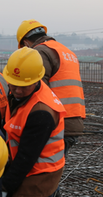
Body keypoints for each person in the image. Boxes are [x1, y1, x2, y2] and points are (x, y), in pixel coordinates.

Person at [1, 47, 66, 197]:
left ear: (37, 79)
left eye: (22, 86)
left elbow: (26, 159)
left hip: (39, 174)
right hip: (29, 166)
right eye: (12, 84)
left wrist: (4, 187)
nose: (16, 90)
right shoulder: (21, 92)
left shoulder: (41, 112)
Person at [16, 19, 86, 157]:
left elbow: (37, 88)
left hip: (56, 122)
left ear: (25, 43)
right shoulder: (66, 51)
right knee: (55, 167)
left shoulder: (39, 52)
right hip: (74, 120)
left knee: (45, 171)